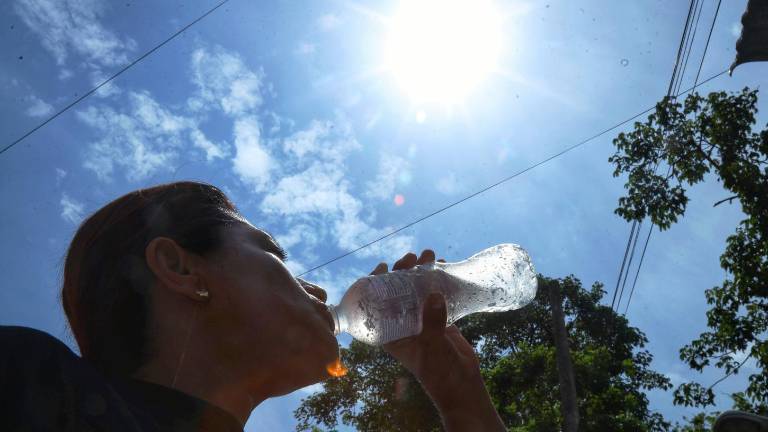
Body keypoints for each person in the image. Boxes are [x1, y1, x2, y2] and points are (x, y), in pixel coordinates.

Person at [0, 181, 505, 431]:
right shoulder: (31, 384)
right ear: (180, 270)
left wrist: (460, 395)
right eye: (272, 251)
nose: (321, 293)